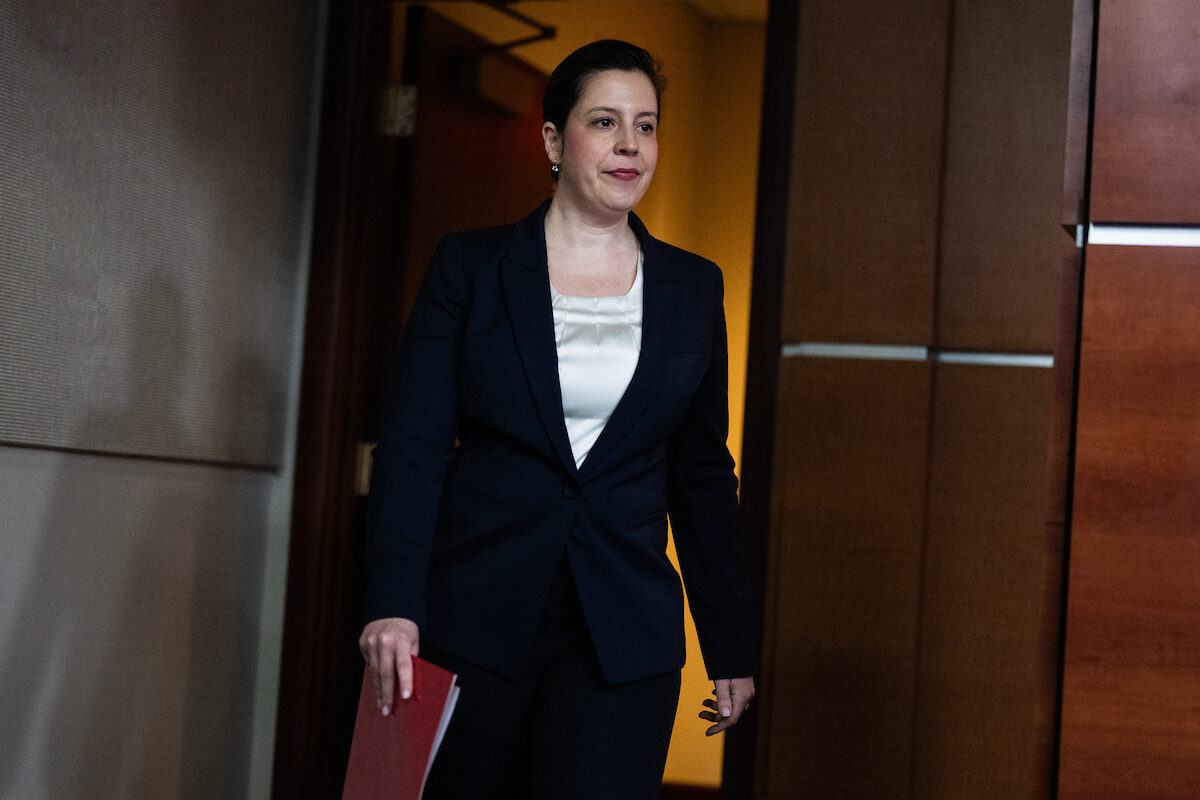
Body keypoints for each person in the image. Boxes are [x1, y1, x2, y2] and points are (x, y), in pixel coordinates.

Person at [358, 39, 756, 800]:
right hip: (469, 620)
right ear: (552, 139)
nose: (629, 145)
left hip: (621, 636)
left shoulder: (693, 289)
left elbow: (703, 477)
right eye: (604, 122)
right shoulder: (469, 268)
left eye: (645, 125)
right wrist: (394, 605)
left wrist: (729, 643)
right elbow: (413, 449)